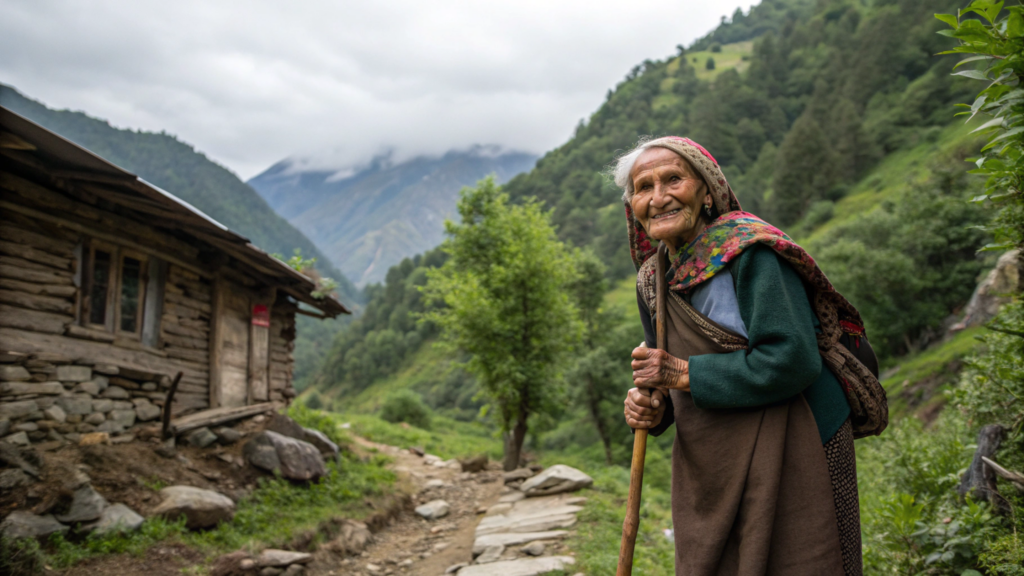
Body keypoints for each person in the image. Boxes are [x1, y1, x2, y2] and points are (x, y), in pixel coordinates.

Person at [618, 136, 863, 576]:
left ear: (706, 190)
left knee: (811, 558)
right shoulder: (652, 278)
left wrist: (682, 373)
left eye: (674, 179)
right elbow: (670, 380)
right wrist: (651, 409)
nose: (658, 198)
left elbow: (793, 360)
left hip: (802, 433)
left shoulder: (752, 254)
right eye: (643, 187)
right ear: (632, 203)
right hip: (715, 453)